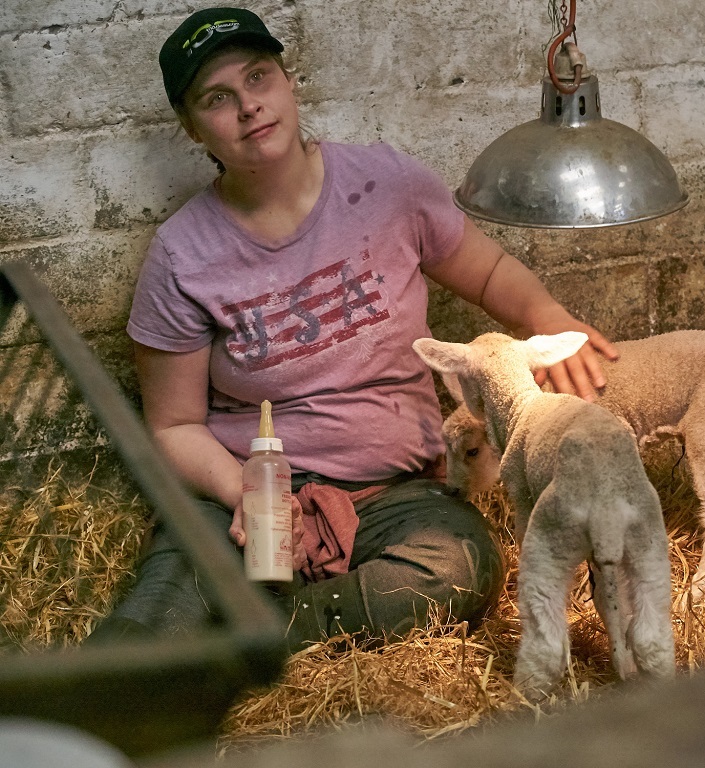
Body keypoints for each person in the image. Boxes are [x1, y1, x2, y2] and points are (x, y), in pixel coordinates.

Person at [88, 7, 618, 652]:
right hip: (243, 495)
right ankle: (113, 692)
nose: (249, 106)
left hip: (389, 494)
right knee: (163, 598)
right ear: (191, 126)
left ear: (289, 82)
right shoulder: (182, 255)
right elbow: (173, 426)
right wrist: (251, 499)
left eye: (259, 79)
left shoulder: (387, 184)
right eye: (218, 98)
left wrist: (550, 318)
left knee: (457, 567)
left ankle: (261, 635)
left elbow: (488, 274)